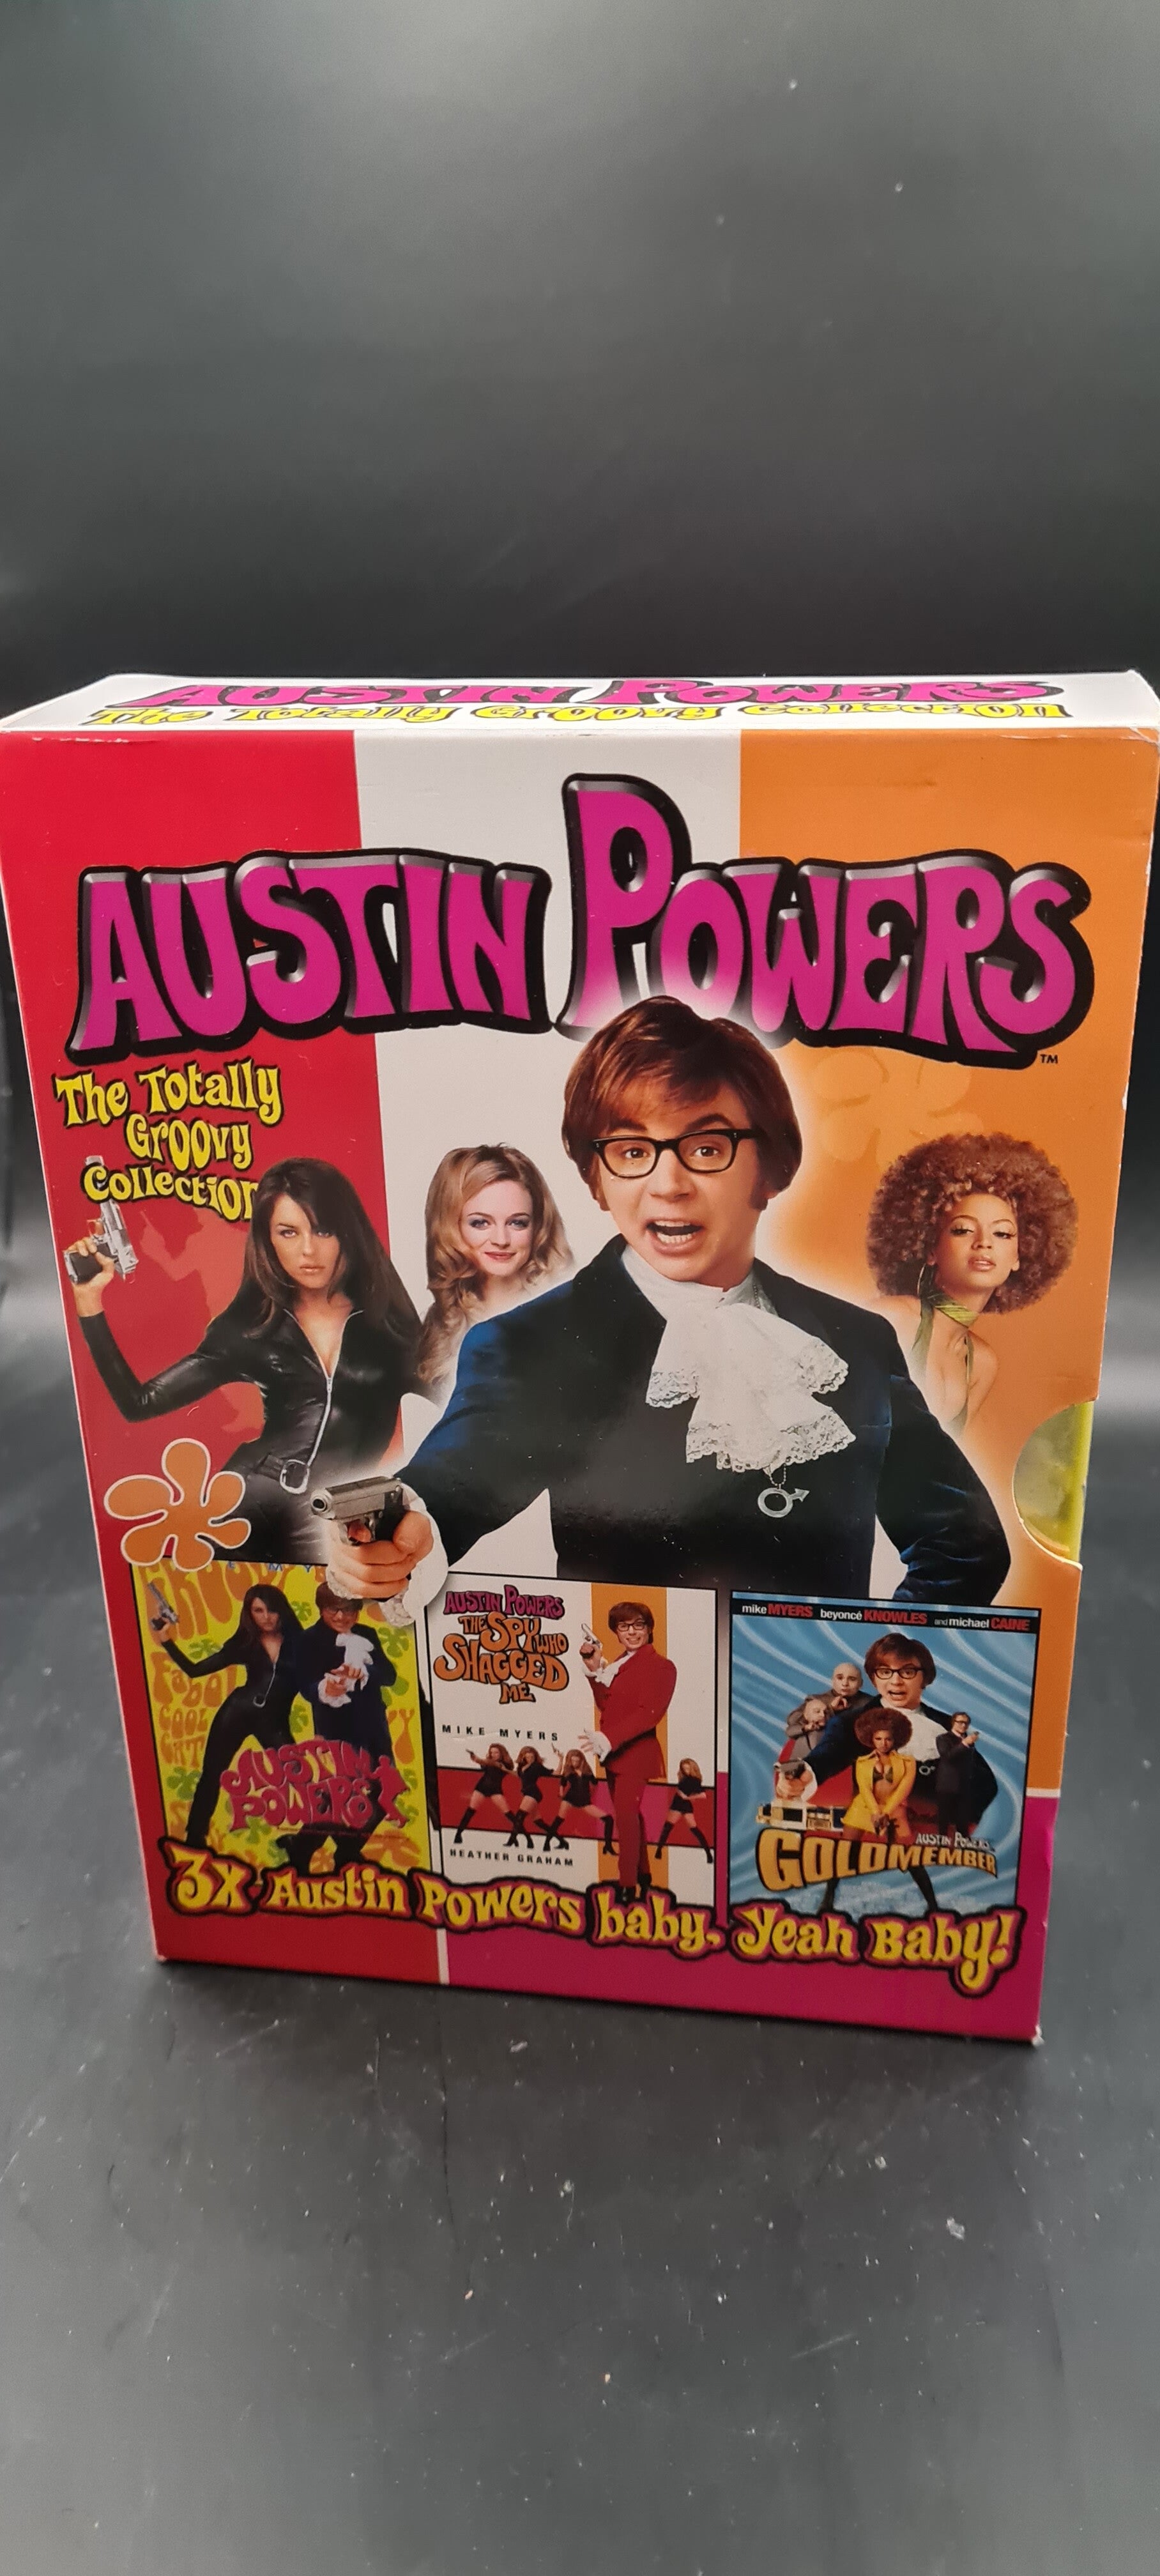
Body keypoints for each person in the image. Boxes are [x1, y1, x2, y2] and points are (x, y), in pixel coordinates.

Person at [324, 997, 1009, 1614]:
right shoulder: (533, 1344)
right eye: (631, 1151)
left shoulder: (853, 1340)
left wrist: (862, 1659)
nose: (668, 1184)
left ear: (769, 1169)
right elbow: (449, 1488)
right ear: (597, 1178)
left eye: (707, 1147)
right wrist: (393, 1537)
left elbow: (965, 1543)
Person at [65, 1157, 421, 1562]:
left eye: (323, 1230)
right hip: (245, 1500)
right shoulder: (250, 1328)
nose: (308, 1250)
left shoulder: (389, 1329)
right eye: (288, 1232)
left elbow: (456, 1399)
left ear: (348, 1233)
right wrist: (88, 1300)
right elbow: (139, 1403)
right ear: (268, 1240)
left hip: (329, 1516)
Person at [867, 1133, 1078, 1433]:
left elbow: (945, 1456)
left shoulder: (982, 1365)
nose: (984, 1243)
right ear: (930, 1248)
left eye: (1002, 1234)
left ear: (1019, 1256)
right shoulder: (892, 1319)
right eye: (963, 1230)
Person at [153, 1583, 306, 1852]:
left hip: (274, 1721)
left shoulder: (302, 1645)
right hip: (236, 1713)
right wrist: (167, 1641)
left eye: (272, 1610)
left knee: (301, 1776)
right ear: (249, 1614)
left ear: (282, 1611)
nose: (267, 1617)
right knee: (213, 1773)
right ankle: (195, 1839)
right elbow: (195, 1670)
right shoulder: (245, 1643)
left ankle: (306, 1841)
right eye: (258, 1611)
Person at [415, 1144, 571, 1401]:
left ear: (538, 1227)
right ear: (450, 1227)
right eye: (480, 1223)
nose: (501, 1239)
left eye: (517, 1223)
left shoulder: (563, 1316)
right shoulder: (438, 1327)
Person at [280, 1583, 402, 1876]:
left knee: (386, 1790)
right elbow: (305, 1686)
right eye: (333, 1609)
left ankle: (346, 1850)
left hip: (373, 1727)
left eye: (348, 1610)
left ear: (358, 1611)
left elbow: (389, 1676)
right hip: (335, 1730)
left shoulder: (367, 1634)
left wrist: (366, 1671)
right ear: (321, 1609)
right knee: (335, 1798)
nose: (341, 1616)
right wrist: (326, 1688)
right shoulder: (306, 1640)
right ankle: (302, 1850)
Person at [577, 1600, 675, 1900]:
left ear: (649, 1629)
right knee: (630, 1816)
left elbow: (650, 1714)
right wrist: (594, 1671)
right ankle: (644, 1875)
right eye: (624, 1627)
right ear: (616, 1633)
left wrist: (608, 1738)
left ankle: (627, 1885)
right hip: (614, 1755)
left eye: (638, 1626)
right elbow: (606, 1705)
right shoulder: (619, 1664)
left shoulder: (662, 1666)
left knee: (626, 1818)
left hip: (636, 1754)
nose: (631, 1632)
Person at [843, 1710, 917, 1840]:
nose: (883, 1744)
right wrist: (876, 1812)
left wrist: (886, 1813)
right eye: (878, 1739)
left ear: (895, 1739)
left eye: (888, 1739)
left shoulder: (908, 1762)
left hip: (894, 1809)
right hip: (864, 1807)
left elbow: (903, 1791)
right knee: (846, 1846)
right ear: (871, 1739)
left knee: (897, 1850)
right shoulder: (862, 1762)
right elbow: (865, 1789)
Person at [934, 1711, 998, 1838]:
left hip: (965, 1785)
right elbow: (948, 1757)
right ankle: (942, 1840)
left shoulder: (969, 1740)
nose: (964, 1725)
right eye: (960, 1722)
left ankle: (963, 1839)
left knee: (963, 1816)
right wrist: (964, 1744)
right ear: (953, 1722)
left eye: (966, 1723)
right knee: (944, 1817)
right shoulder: (943, 1738)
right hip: (947, 1785)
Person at [542, 1749, 613, 1852]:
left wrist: (591, 1793)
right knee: (558, 1821)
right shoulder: (568, 1771)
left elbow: (595, 1783)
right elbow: (563, 1783)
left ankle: (607, 1846)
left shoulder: (587, 1772)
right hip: (570, 1799)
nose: (575, 1763)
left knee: (609, 1819)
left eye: (577, 1761)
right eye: (573, 1761)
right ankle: (547, 1842)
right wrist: (561, 1793)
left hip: (584, 1801)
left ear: (581, 1761)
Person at [452, 1744, 514, 1843]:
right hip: (482, 1788)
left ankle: (525, 1837)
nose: (493, 1755)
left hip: (495, 1790)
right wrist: (475, 1758)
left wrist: (478, 1760)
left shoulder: (505, 1764)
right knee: (470, 1811)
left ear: (502, 1753)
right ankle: (458, 1834)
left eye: (496, 1752)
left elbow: (493, 1764)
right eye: (491, 1752)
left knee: (509, 1814)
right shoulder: (488, 1762)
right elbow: (484, 1763)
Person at [655, 1757, 713, 1857]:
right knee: (668, 1827)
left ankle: (708, 1853)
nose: (686, 1770)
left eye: (688, 1768)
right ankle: (659, 1851)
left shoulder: (695, 1780)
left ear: (692, 1768)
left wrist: (687, 1797)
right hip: (677, 1803)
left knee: (693, 1829)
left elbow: (703, 1795)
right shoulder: (684, 1778)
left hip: (683, 1804)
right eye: (684, 1768)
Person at [507, 1744, 554, 1848]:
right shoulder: (521, 1767)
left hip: (533, 1793)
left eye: (532, 1756)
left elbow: (554, 1773)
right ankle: (562, 1841)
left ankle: (513, 1840)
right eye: (527, 1756)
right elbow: (518, 1775)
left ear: (535, 1756)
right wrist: (504, 1770)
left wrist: (561, 1760)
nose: (530, 1758)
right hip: (527, 1793)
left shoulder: (537, 1766)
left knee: (519, 1817)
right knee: (538, 1822)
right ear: (524, 1756)